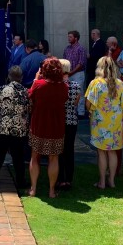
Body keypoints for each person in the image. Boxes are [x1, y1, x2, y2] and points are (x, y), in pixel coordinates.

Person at [85, 57, 123, 189]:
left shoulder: (96, 83)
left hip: (100, 120)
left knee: (101, 152)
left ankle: (102, 182)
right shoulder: (120, 83)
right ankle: (111, 180)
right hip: (115, 121)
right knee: (113, 151)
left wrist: (90, 111)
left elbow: (89, 103)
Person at [27, 58, 69, 198]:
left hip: (39, 125)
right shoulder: (64, 87)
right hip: (56, 126)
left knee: (35, 157)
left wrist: (35, 79)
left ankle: (33, 189)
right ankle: (51, 191)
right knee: (54, 158)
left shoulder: (38, 85)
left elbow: (30, 96)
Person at [0, 65, 30, 188]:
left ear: (9, 77)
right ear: (21, 78)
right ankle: (21, 181)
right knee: (18, 156)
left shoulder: (2, 89)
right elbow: (28, 109)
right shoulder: (25, 91)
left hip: (2, 127)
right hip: (19, 128)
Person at [57, 58, 82, 190]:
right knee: (69, 149)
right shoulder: (76, 86)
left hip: (60, 120)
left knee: (59, 150)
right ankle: (69, 179)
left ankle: (60, 178)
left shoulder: (56, 85)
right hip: (72, 120)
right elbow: (75, 103)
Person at [63, 31, 87, 117]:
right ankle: (71, 111)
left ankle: (81, 112)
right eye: (68, 37)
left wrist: (72, 72)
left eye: (70, 37)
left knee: (79, 93)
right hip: (68, 73)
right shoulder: (67, 48)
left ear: (75, 38)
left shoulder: (81, 49)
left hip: (78, 73)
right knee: (69, 93)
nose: (68, 38)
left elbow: (81, 63)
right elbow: (65, 61)